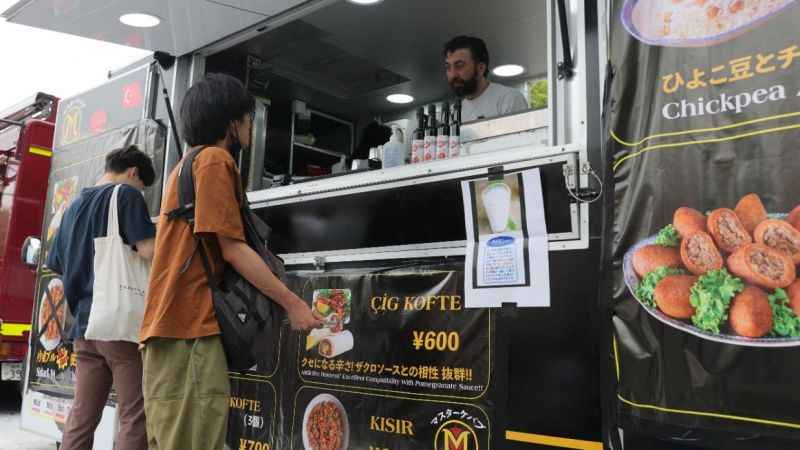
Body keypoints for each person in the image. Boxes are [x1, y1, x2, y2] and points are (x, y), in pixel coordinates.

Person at [139, 73, 322, 450]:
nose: (250, 126)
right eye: (248, 117)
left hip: (169, 330)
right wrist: (293, 303)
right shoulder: (214, 161)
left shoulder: (185, 165)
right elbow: (233, 249)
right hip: (188, 330)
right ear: (231, 122)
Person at [46, 145, 157, 450]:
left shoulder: (71, 209)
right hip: (118, 324)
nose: (141, 192)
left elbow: (56, 262)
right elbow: (148, 250)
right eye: (142, 186)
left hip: (83, 328)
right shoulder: (126, 194)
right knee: (136, 415)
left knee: (82, 415)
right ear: (133, 173)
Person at [444, 35, 529, 122]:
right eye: (448, 67)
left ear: (481, 68)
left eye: (459, 65)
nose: (453, 74)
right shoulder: (453, 112)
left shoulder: (508, 99)